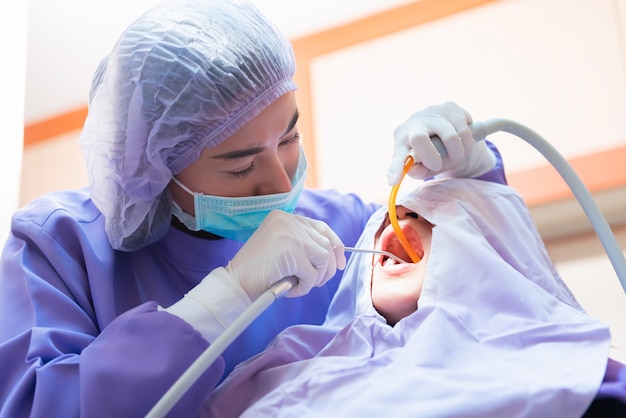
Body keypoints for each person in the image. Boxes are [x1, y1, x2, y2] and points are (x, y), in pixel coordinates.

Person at [0, 0, 504, 416]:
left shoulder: (343, 224)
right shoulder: (60, 246)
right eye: (240, 167)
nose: (283, 181)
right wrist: (224, 299)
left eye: (290, 138)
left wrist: (470, 179)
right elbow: (32, 407)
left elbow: (488, 286)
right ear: (151, 168)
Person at [203, 177, 626, 418]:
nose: (399, 216)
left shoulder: (576, 377)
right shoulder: (283, 377)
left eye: (428, 215)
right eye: (388, 216)